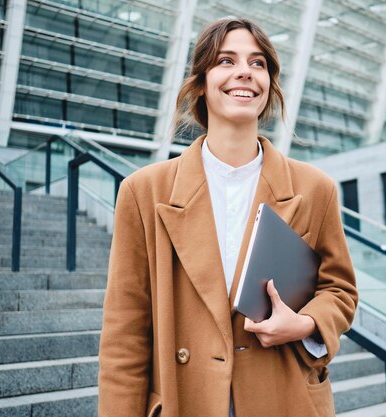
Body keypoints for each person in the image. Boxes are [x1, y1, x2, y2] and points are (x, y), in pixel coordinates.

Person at [98, 18, 358, 417]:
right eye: (226, 60)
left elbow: (340, 290)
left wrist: (305, 324)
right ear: (201, 82)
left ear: (269, 83)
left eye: (258, 63)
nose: (244, 72)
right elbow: (124, 336)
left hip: (285, 398)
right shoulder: (143, 192)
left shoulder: (315, 188)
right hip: (186, 401)